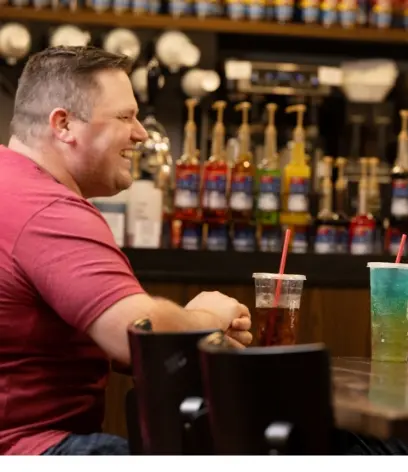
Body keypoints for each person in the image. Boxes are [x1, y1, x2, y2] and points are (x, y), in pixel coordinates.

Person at [0, 46, 252, 455]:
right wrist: (207, 317)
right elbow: (135, 334)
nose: (141, 133)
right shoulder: (49, 211)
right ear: (63, 124)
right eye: (124, 117)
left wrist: (180, 328)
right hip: (30, 448)